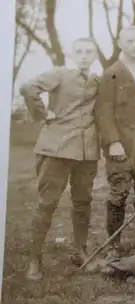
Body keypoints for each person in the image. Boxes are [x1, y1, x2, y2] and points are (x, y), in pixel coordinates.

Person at [19, 37, 100, 280]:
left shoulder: (97, 80)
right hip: (56, 148)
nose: (84, 56)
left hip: (86, 151)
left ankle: (81, 251)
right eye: (80, 51)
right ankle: (34, 259)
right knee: (47, 203)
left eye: (89, 52)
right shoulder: (60, 74)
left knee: (83, 202)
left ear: (94, 55)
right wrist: (43, 114)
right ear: (73, 54)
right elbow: (27, 88)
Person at [95, 26, 135, 259]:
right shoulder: (112, 72)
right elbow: (103, 110)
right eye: (130, 41)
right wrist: (113, 141)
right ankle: (114, 245)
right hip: (123, 139)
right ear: (121, 43)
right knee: (119, 191)